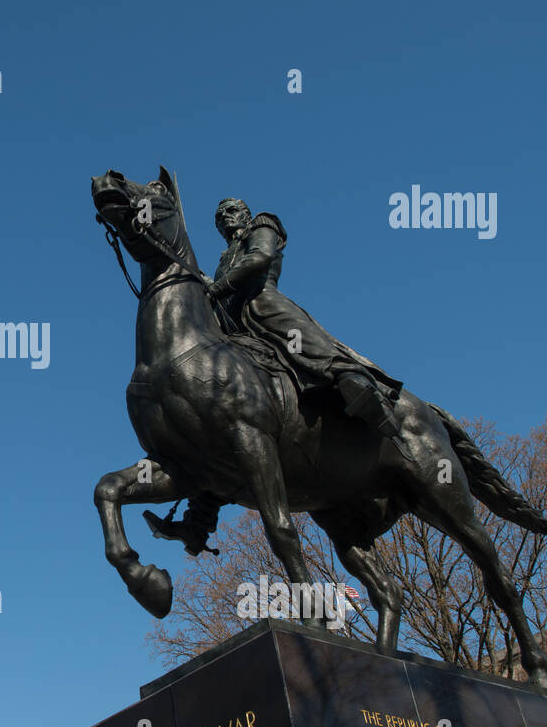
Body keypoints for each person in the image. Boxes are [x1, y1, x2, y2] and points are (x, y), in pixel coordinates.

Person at [145, 198, 407, 555]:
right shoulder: (224, 257)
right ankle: (197, 524)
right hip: (234, 325)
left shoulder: (263, 225)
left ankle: (353, 381)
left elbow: (260, 260)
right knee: (217, 418)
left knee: (296, 336)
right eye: (219, 216)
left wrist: (218, 288)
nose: (225, 218)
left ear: (246, 212)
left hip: (260, 302)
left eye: (230, 210)